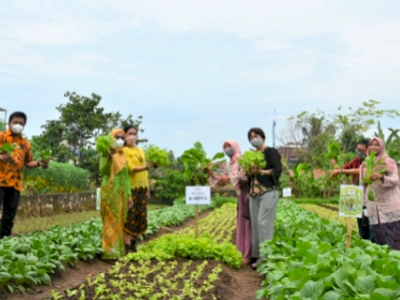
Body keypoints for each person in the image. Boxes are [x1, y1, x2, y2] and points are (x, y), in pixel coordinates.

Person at [0, 112, 48, 239]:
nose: (18, 125)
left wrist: (39, 163)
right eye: (15, 122)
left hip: (15, 184)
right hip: (1, 181)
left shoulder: (25, 143)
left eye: (21, 123)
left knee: (9, 216)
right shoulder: (1, 137)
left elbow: (28, 162)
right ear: (9, 123)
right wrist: (1, 157)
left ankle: (4, 241)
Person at [205, 139, 252, 265]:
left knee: (248, 224)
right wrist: (209, 170)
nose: (227, 149)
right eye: (225, 147)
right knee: (241, 223)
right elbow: (222, 181)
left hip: (249, 195)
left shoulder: (242, 160)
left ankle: (248, 255)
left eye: (229, 146)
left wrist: (230, 177)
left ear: (235, 147)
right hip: (240, 195)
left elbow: (244, 177)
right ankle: (241, 252)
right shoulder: (229, 164)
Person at [246, 127, 282, 270]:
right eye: (251, 137)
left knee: (263, 223)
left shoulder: (271, 152)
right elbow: (249, 175)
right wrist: (250, 172)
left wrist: (261, 171)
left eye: (256, 136)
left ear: (262, 137)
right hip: (254, 193)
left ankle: (266, 257)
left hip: (268, 192)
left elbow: (278, 170)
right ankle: (257, 255)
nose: (253, 139)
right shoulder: (252, 155)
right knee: (255, 224)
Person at [330, 138, 375, 243]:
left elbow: (361, 171)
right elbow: (347, 168)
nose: (359, 152)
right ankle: (365, 244)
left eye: (362, 150)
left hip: (370, 196)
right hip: (358, 193)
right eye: (358, 149)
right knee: (361, 222)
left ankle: (373, 247)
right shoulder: (357, 159)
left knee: (371, 225)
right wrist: (336, 167)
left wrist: (340, 171)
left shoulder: (374, 160)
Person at [361, 137, 400, 250]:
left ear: (382, 147)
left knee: (394, 238)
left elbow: (395, 180)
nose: (373, 147)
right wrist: (364, 205)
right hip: (374, 207)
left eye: (377, 145)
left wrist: (380, 177)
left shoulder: (388, 162)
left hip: (389, 207)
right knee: (379, 240)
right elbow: (364, 186)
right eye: (371, 145)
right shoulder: (365, 164)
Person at [99, 128, 131, 260]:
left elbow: (126, 177)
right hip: (110, 191)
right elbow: (102, 171)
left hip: (121, 192)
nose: (120, 140)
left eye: (122, 138)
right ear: (112, 138)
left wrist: (129, 195)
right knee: (111, 220)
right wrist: (110, 158)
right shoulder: (105, 154)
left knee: (120, 221)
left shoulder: (123, 155)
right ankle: (109, 252)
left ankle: (118, 251)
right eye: (117, 137)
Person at [123, 125, 154, 252]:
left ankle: (134, 244)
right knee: (129, 218)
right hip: (131, 188)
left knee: (140, 217)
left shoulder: (140, 151)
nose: (132, 136)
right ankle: (127, 247)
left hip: (142, 189)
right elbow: (132, 169)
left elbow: (145, 173)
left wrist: (147, 188)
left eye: (134, 133)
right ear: (125, 136)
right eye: (129, 133)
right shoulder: (124, 151)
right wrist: (148, 167)